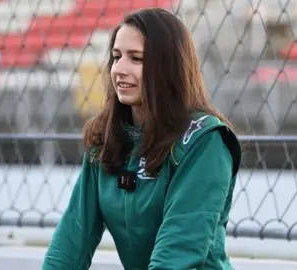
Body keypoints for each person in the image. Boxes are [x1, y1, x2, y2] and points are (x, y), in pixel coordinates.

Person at [42, 7, 241, 270]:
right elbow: (73, 236)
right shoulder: (107, 138)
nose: (119, 69)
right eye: (116, 56)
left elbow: (177, 252)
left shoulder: (205, 141)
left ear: (168, 67)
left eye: (136, 59)